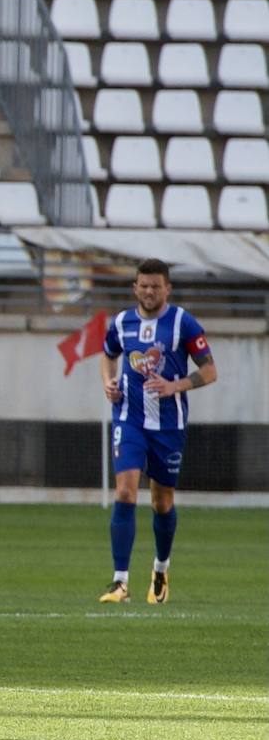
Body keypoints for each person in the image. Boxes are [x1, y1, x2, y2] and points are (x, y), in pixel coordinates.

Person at [98, 258, 217, 605]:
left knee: (161, 502)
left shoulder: (183, 323)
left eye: (156, 286)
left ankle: (161, 570)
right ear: (135, 287)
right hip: (129, 420)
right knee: (124, 493)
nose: (149, 291)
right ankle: (120, 582)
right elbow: (108, 354)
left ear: (167, 289)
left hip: (168, 426)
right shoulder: (121, 322)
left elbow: (210, 371)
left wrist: (174, 385)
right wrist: (109, 382)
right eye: (143, 285)